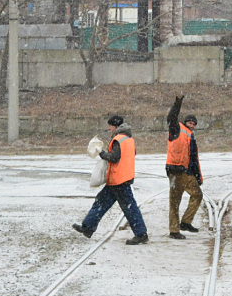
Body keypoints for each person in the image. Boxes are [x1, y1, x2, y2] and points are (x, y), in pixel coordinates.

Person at [73, 115, 149, 245]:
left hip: (118, 179)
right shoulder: (130, 139)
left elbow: (114, 157)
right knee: (104, 203)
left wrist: (101, 153)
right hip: (123, 178)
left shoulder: (118, 139)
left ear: (115, 126)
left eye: (110, 126)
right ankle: (87, 227)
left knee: (126, 207)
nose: (109, 128)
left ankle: (141, 234)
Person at [165, 95, 203, 239]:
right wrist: (177, 104)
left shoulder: (190, 137)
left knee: (197, 195)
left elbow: (193, 158)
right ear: (185, 122)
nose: (192, 125)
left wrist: (198, 176)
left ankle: (185, 222)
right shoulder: (176, 129)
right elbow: (171, 118)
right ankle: (174, 230)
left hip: (187, 172)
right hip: (175, 171)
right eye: (190, 122)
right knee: (175, 201)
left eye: (194, 123)